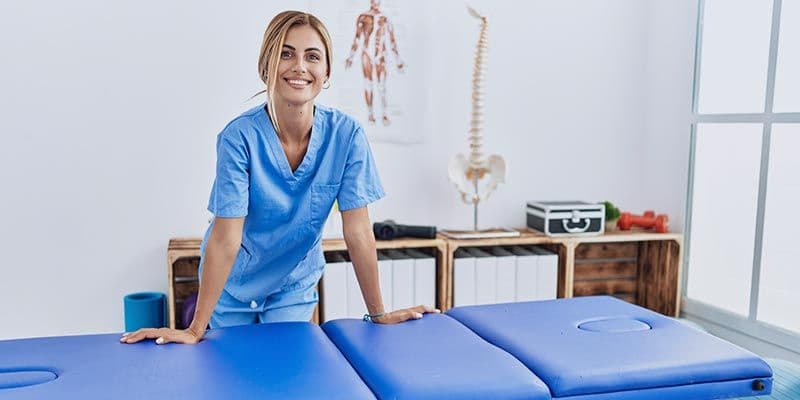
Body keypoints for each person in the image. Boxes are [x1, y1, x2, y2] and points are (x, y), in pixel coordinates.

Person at [121, 11, 438, 345]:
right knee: (234, 368)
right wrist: (195, 329)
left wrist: (378, 315)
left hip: (293, 286)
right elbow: (226, 238)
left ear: (326, 71)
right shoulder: (238, 138)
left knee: (286, 366)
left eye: (312, 56)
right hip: (233, 285)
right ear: (266, 66)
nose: (299, 66)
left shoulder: (347, 136)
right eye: (286, 54)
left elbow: (358, 231)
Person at [345, 0, 404, 126]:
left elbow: (392, 41)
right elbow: (357, 38)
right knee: (368, 85)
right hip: (367, 54)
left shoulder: (385, 19)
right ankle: (370, 114)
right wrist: (351, 57)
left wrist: (398, 61)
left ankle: (384, 114)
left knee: (382, 85)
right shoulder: (363, 17)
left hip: (381, 55)